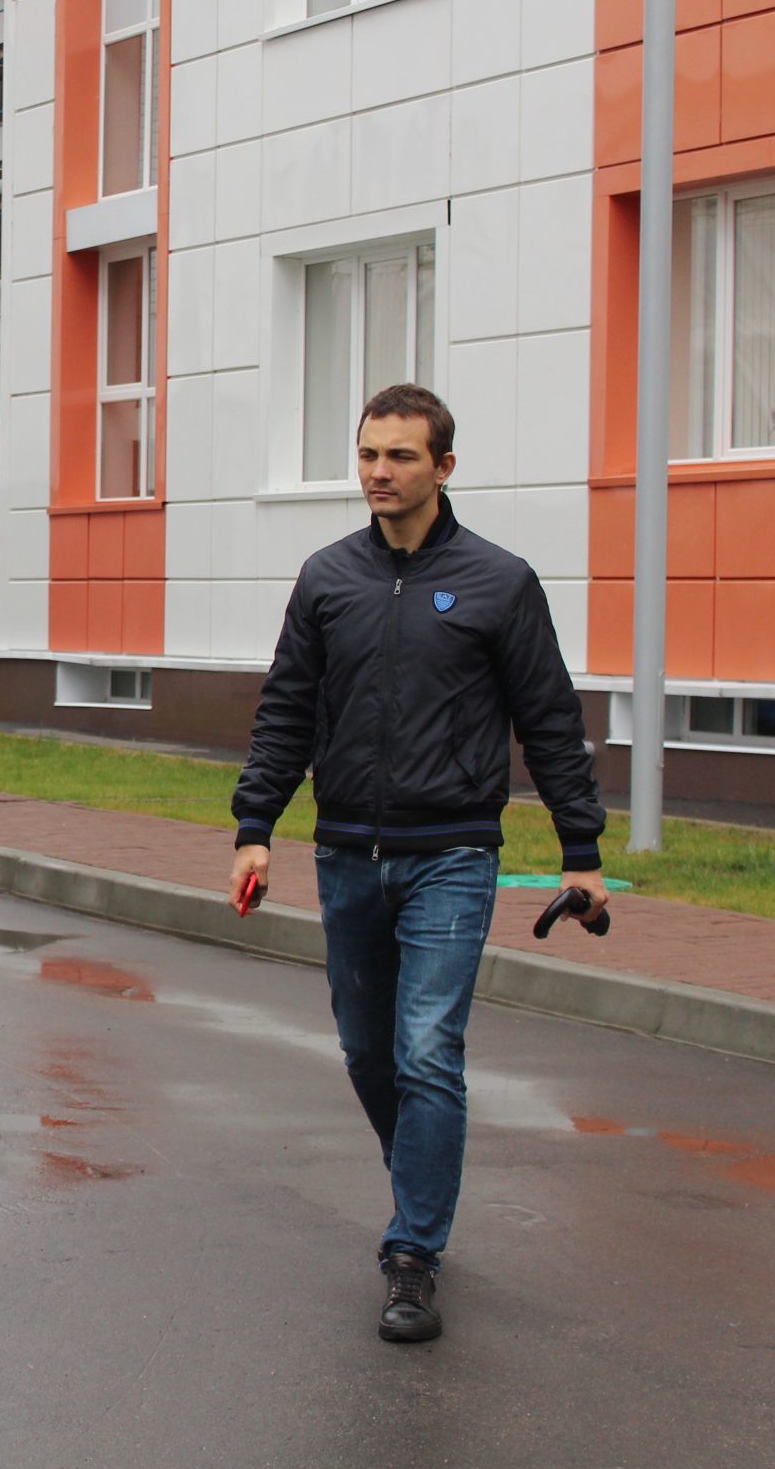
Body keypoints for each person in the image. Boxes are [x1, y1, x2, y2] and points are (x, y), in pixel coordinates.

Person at [228, 384, 608, 1346]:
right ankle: (423, 1185)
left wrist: (583, 850)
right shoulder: (327, 578)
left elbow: (550, 718)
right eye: (367, 454)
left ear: (444, 466)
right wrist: (255, 826)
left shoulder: (499, 582)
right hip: (347, 852)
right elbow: (286, 710)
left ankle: (412, 1252)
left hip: (453, 853)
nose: (378, 472)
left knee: (427, 1049)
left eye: (399, 456)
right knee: (368, 1053)